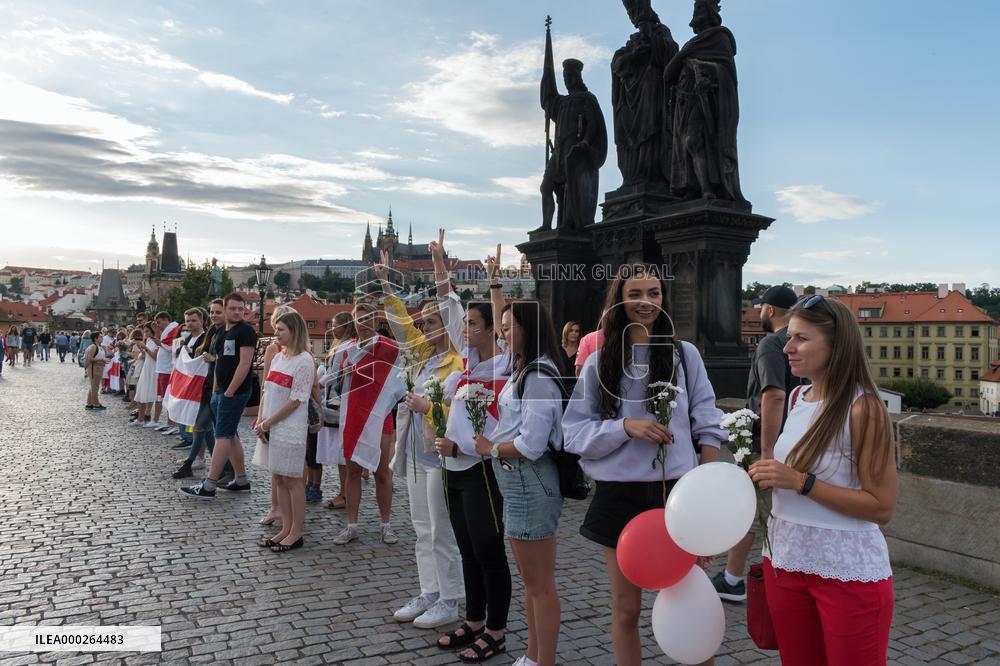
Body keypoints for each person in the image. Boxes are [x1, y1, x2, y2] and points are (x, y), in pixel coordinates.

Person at [562, 264, 726, 666]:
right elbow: (573, 434)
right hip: (619, 496)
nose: (647, 302)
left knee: (691, 603)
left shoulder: (685, 356)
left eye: (654, 293)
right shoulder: (599, 363)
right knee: (626, 610)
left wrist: (703, 493)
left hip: (677, 496)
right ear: (619, 300)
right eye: (636, 293)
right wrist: (625, 428)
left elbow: (708, 424)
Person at [749, 295, 896, 664]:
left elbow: (881, 506)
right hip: (785, 561)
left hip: (846, 572)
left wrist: (801, 481)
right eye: (789, 337)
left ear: (836, 345)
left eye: (801, 338)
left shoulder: (864, 408)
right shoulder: (799, 397)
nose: (788, 348)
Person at [430, 232, 513, 663]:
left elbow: (500, 323)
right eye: (465, 325)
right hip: (454, 471)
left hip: (482, 471)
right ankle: (475, 620)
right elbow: (449, 310)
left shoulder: (502, 364)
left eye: (472, 326)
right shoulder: (461, 370)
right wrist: (441, 268)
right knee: (466, 547)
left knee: (488, 551)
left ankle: (496, 630)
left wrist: (494, 283)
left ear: (491, 332)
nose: (465, 330)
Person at [474, 295, 566, 666]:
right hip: (518, 482)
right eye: (504, 327)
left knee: (540, 585)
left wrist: (491, 448)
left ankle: (545, 661)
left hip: (529, 480)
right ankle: (532, 655)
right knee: (531, 583)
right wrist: (496, 286)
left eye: (511, 329)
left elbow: (531, 444)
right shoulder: (523, 364)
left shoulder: (539, 376)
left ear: (529, 329)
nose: (504, 334)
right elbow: (497, 327)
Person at [378, 254, 466, 631]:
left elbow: (456, 414)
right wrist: (385, 285)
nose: (425, 328)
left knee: (441, 530)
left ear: (447, 324)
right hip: (414, 452)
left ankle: (450, 599)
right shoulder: (423, 354)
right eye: (424, 323)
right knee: (421, 527)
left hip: (438, 456)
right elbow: (400, 326)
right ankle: (429, 591)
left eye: (432, 322)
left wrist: (427, 406)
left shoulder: (458, 362)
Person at [713, 285, 801, 601]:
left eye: (761, 306)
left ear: (771, 310)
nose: (759, 311)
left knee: (750, 510)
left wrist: (765, 454)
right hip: (800, 439)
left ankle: (734, 579)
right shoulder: (805, 342)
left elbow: (774, 394)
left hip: (771, 443)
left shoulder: (771, 345)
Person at [331, 300, 405, 544]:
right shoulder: (347, 349)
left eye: (368, 319)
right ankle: (351, 525)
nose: (364, 324)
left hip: (380, 417)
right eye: (359, 319)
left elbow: (399, 385)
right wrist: (346, 372)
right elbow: (338, 386)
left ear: (377, 320)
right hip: (353, 415)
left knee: (382, 473)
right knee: (353, 472)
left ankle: (386, 525)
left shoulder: (389, 348)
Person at [179, 293, 257, 499]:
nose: (237, 312)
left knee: (221, 435)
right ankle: (241, 480)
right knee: (230, 437)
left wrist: (230, 391)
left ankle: (209, 485)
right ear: (226, 309)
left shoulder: (246, 331)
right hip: (219, 390)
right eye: (233, 308)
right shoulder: (221, 332)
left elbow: (245, 364)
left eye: (241, 309)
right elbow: (218, 362)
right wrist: (216, 389)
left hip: (236, 392)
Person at [253, 309, 315, 553]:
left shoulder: (304, 360)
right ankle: (285, 528)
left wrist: (268, 423)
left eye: (280, 330)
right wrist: (261, 419)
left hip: (289, 427)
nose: (275, 333)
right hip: (272, 425)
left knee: (293, 480)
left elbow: (296, 399)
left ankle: (296, 533)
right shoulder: (280, 357)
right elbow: (267, 390)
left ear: (294, 331)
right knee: (278, 477)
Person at [256, 305, 298, 525]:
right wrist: (261, 416)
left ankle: (286, 510)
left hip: (288, 411)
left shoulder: (299, 352)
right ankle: (278, 508)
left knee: (289, 467)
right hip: (273, 408)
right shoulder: (275, 349)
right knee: (278, 466)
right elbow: (266, 385)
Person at [318, 312, 355, 511]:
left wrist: (316, 385)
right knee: (343, 453)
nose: (332, 329)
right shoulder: (345, 344)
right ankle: (345, 493)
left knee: (342, 454)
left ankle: (345, 494)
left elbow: (334, 374)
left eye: (335, 325)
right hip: (341, 400)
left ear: (345, 326)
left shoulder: (344, 346)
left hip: (338, 402)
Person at [152, 312, 181, 433]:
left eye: (159, 322)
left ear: (166, 320)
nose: (158, 325)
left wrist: (159, 343)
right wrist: (157, 333)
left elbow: (170, 348)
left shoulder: (173, 329)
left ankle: (173, 423)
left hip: (168, 368)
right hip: (163, 368)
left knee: (169, 396)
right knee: (165, 396)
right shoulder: (167, 330)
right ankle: (170, 421)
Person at [133, 324, 160, 427]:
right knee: (140, 393)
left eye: (147, 331)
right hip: (146, 367)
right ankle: (141, 418)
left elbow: (155, 357)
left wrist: (145, 348)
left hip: (153, 369)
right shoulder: (147, 341)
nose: (145, 334)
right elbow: (144, 356)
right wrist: (142, 349)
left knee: (149, 393)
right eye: (144, 331)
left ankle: (146, 417)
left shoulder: (156, 341)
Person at [83, 332, 107, 410]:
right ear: (96, 338)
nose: (102, 338)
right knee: (95, 386)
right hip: (94, 367)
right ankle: (96, 404)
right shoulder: (93, 346)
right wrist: (102, 359)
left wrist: (104, 360)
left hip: (99, 367)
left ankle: (89, 403)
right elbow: (90, 359)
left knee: (94, 385)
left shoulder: (99, 346)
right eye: (100, 337)